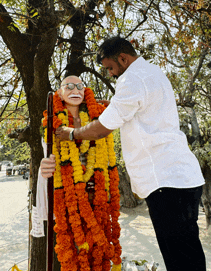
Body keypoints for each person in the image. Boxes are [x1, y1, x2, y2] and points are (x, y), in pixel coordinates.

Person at [51, 37, 207, 271]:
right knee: (189, 251)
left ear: (123, 58)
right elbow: (135, 107)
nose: (111, 73)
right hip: (183, 177)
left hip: (165, 181)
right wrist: (113, 104)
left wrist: (72, 133)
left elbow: (103, 128)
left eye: (111, 68)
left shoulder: (131, 79)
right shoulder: (153, 72)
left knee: (179, 258)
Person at [37, 75, 122, 271]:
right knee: (75, 255)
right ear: (59, 92)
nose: (75, 90)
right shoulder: (52, 122)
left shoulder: (99, 118)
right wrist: (45, 166)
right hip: (68, 199)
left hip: (98, 197)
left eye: (80, 86)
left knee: (99, 256)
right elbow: (47, 158)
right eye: (69, 86)